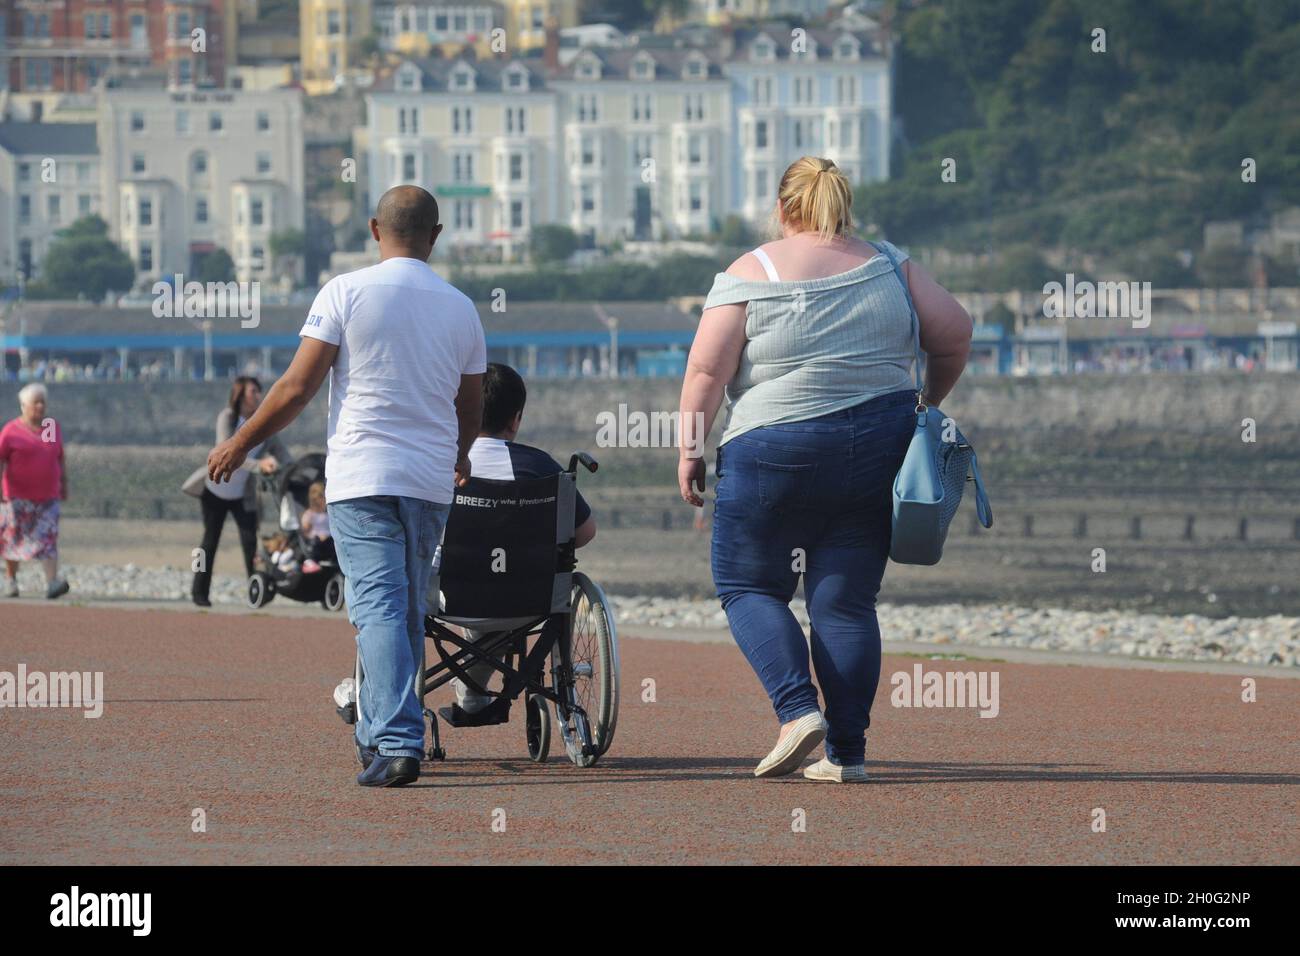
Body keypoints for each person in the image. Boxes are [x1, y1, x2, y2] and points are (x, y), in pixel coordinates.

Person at [677, 156, 973, 783]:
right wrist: (928, 403)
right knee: (844, 604)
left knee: (748, 586)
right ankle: (848, 754)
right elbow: (954, 333)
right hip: (877, 446)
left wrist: (691, 450)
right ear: (844, 206)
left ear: (783, 210)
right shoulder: (892, 266)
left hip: (771, 449)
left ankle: (796, 711)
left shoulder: (749, 271)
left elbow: (707, 372)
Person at [207, 185, 485, 788]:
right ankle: (378, 733)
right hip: (429, 481)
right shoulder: (462, 308)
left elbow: (295, 389)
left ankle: (397, 740)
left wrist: (241, 441)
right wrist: (459, 456)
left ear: (374, 229)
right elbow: (472, 406)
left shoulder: (345, 292)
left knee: (380, 608)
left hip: (362, 478)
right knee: (406, 608)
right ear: (436, 235)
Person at [444, 362, 596, 722]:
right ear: (516, 419)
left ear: (458, 411)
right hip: (532, 597)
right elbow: (585, 532)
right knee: (502, 597)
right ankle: (476, 689)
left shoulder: (442, 465)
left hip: (452, 594)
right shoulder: (544, 468)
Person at [190, 377, 288, 607]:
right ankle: (198, 592)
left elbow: (282, 453)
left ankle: (256, 592)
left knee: (249, 542)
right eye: (253, 391)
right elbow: (226, 451)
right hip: (214, 491)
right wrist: (259, 465)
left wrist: (292, 469)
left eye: (259, 392)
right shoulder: (228, 418)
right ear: (240, 394)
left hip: (241, 495)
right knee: (208, 543)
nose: (258, 396)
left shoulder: (264, 425)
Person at [0, 383, 69, 599]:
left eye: (43, 402)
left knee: (48, 539)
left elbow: (53, 455)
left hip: (48, 497)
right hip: (16, 497)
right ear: (23, 406)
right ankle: (11, 580)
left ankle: (52, 583)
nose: (40, 407)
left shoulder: (49, 427)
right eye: (35, 403)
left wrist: (64, 483)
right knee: (13, 540)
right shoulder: (11, 431)